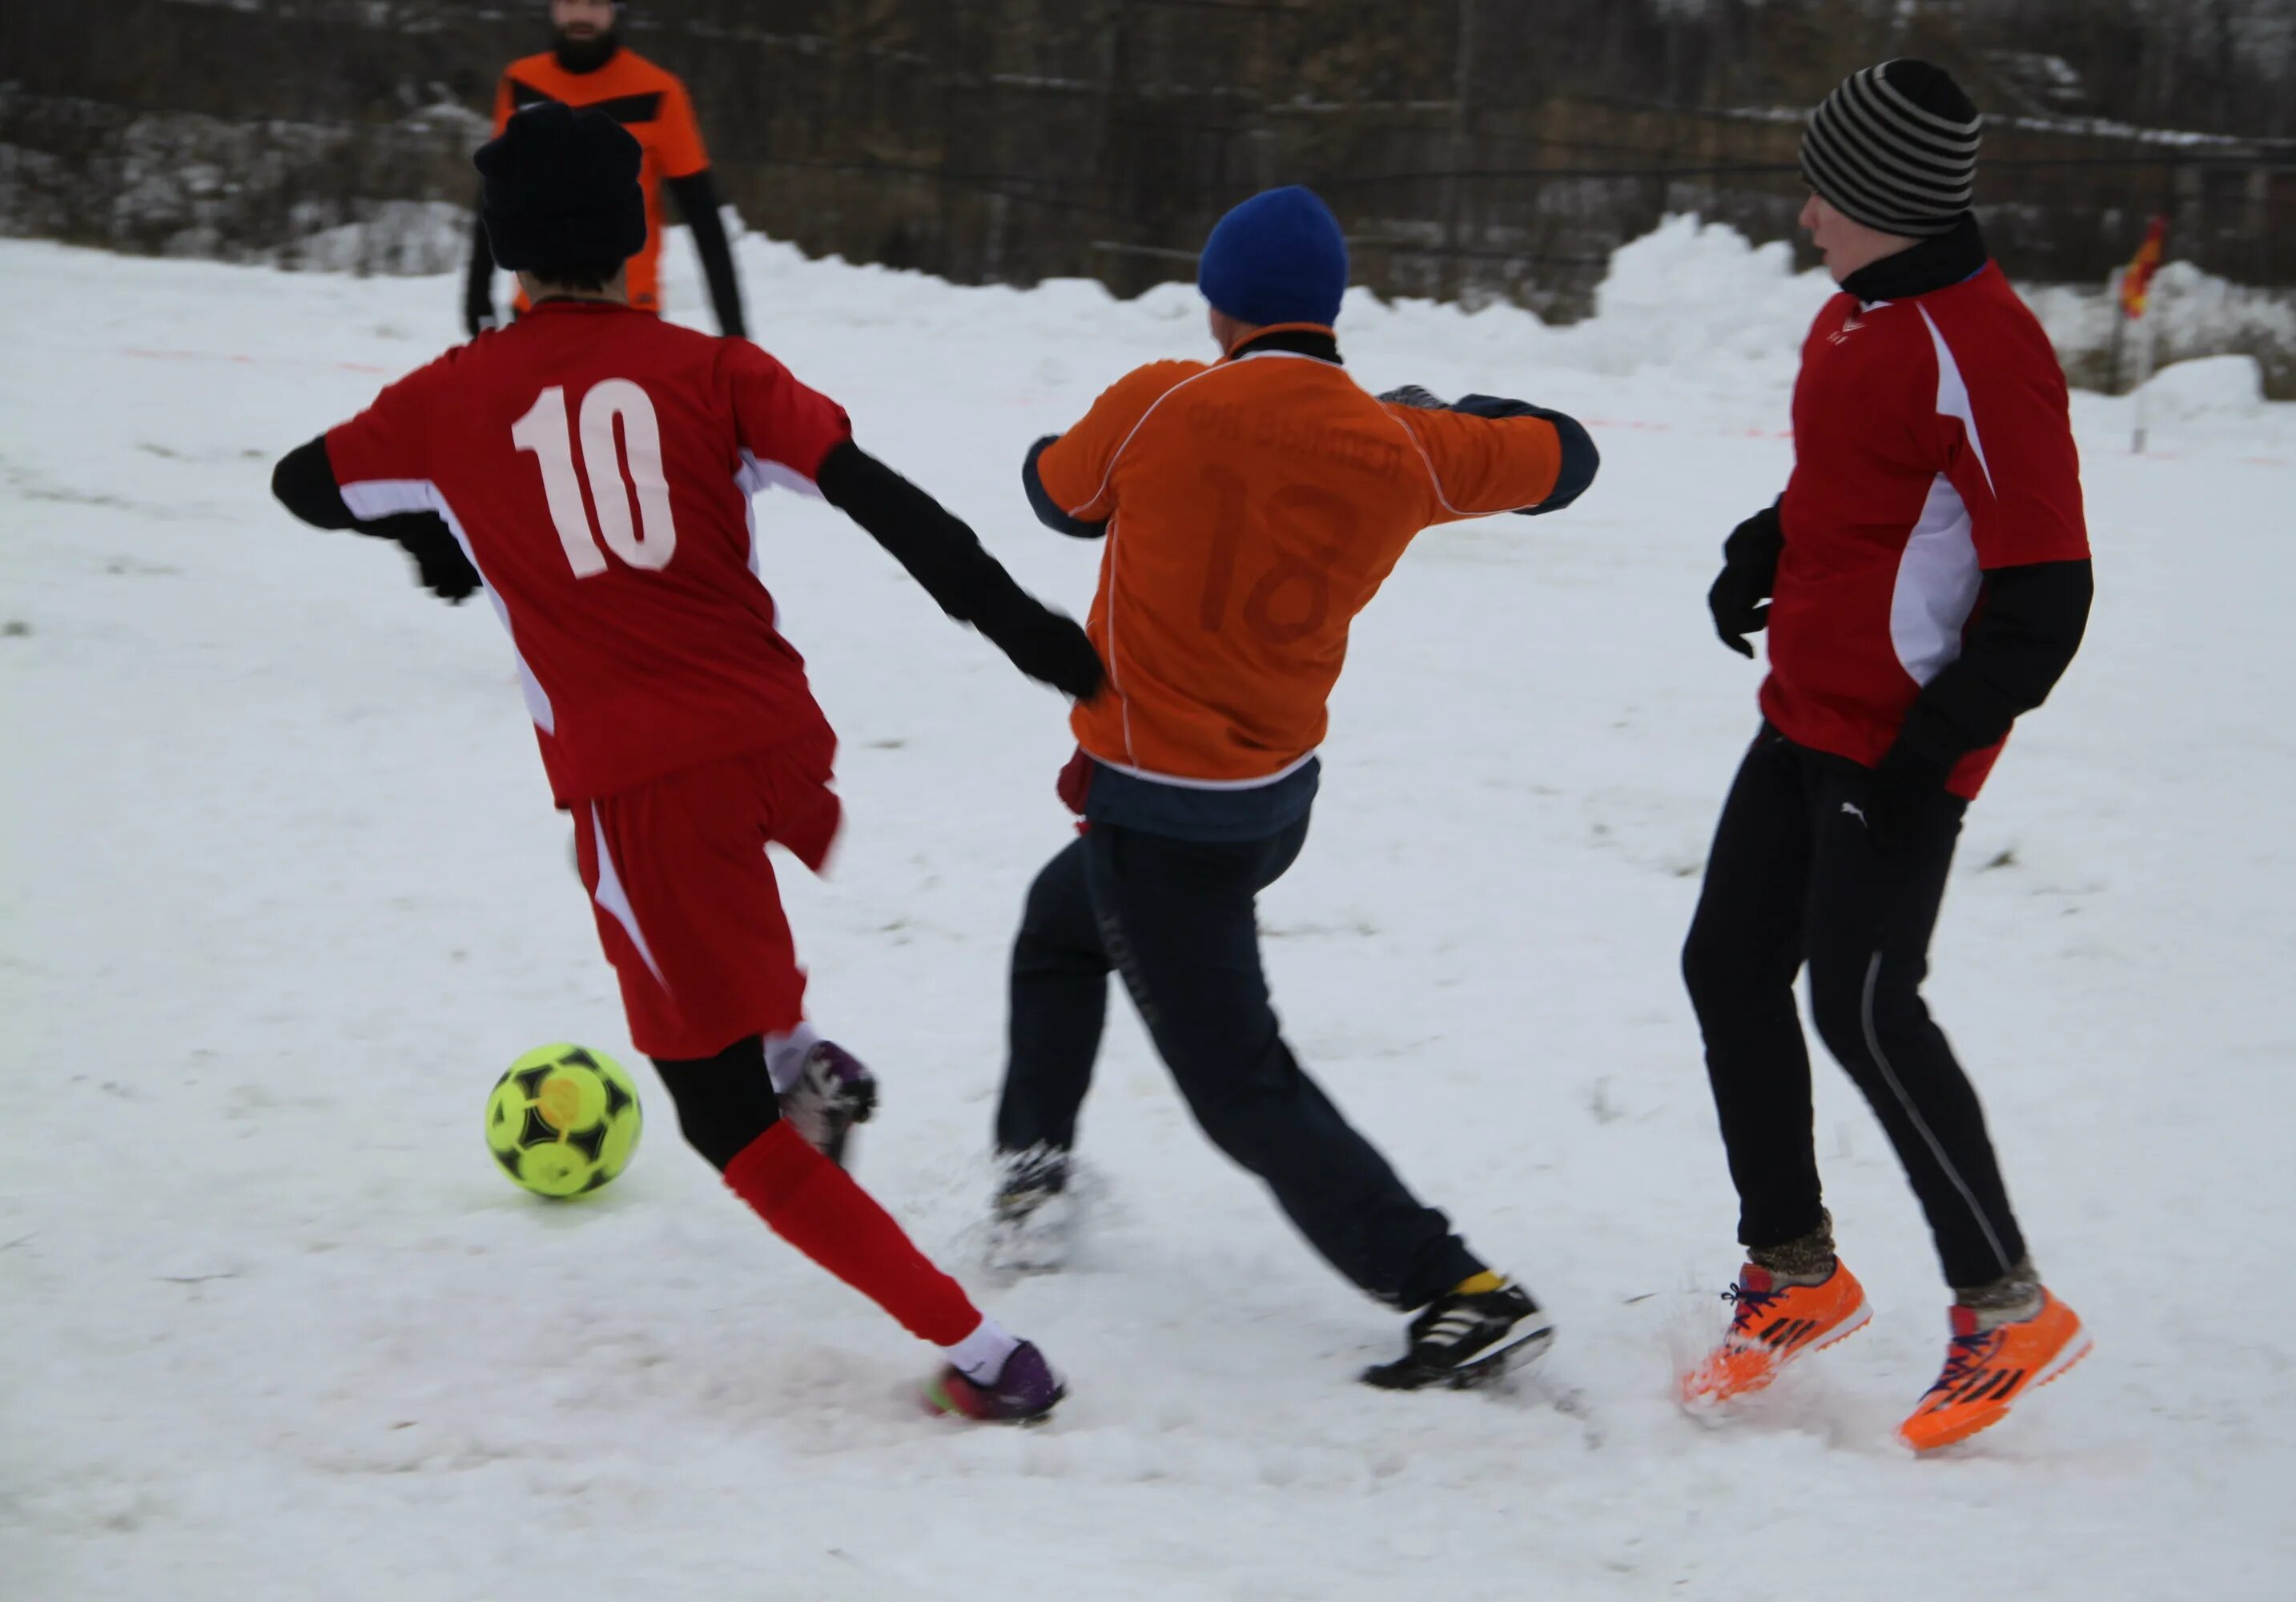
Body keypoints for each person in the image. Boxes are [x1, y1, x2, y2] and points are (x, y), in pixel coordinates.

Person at [271, 103, 1103, 1423]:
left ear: (506, 255)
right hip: (779, 741)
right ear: (636, 238)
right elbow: (889, 502)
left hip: (644, 781)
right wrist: (1033, 637)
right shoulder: (715, 371)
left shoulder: (444, 400)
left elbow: (301, 485)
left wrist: (435, 532)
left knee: (725, 1129)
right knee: (700, 910)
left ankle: (986, 1353)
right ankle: (798, 1052)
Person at [989, 187, 1598, 1391]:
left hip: (1159, 812)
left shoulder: (1163, 397)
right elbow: (1567, 458)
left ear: (1218, 304)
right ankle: (1033, 1176)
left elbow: (1055, 494)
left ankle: (1455, 1288)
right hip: (1270, 803)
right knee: (1060, 933)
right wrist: (1443, 415)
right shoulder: (1407, 447)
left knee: (1240, 1087)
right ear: (1331, 310)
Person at [1676, 60, 2096, 1451]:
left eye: (1825, 191)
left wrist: (1932, 751)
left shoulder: (1984, 348)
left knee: (1862, 1004)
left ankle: (2006, 1306)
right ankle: (1795, 1271)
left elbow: (2047, 589)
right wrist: (1767, 546)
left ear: (1885, 203)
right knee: (1728, 965)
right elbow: (1852, 487)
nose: (1806, 214)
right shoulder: (1855, 317)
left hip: (1897, 744)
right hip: (1803, 713)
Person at [464, 0, 747, 340]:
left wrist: (732, 330)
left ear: (616, 8)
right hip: (535, 310)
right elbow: (495, 194)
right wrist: (477, 296)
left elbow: (703, 215)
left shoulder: (658, 91)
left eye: (596, 3)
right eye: (570, 2)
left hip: (629, 312)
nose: (582, 15)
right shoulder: (521, 82)